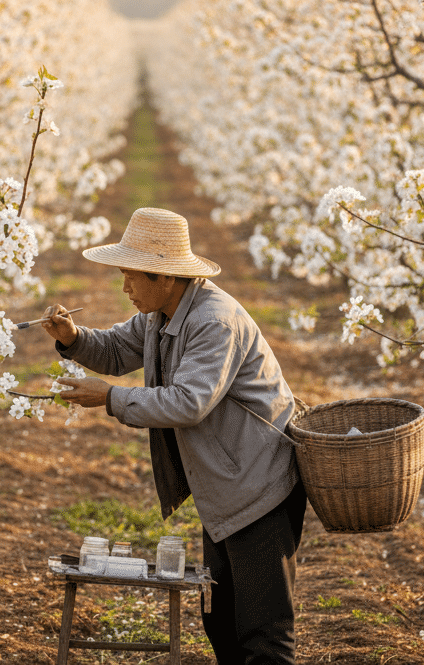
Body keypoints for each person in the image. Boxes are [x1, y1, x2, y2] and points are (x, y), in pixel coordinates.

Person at [43, 207, 307, 665]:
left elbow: (189, 403)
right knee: (220, 621)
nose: (124, 287)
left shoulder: (213, 321)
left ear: (163, 275)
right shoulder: (160, 314)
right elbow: (116, 348)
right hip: (226, 488)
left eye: (130, 276)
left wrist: (110, 398)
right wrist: (72, 337)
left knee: (263, 633)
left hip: (259, 486)